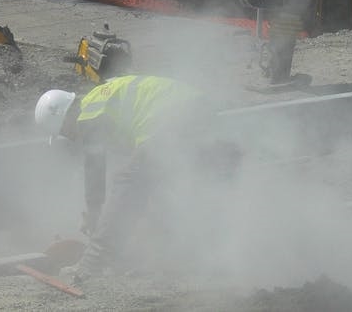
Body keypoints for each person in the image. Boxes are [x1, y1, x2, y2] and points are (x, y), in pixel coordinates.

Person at [34, 75, 239, 283]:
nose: (71, 138)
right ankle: (192, 252)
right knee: (167, 184)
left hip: (174, 115)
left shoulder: (87, 115)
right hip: (197, 106)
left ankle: (93, 262)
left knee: (127, 182)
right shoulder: (100, 99)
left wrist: (95, 214)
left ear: (64, 117)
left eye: (64, 133)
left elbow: (95, 176)